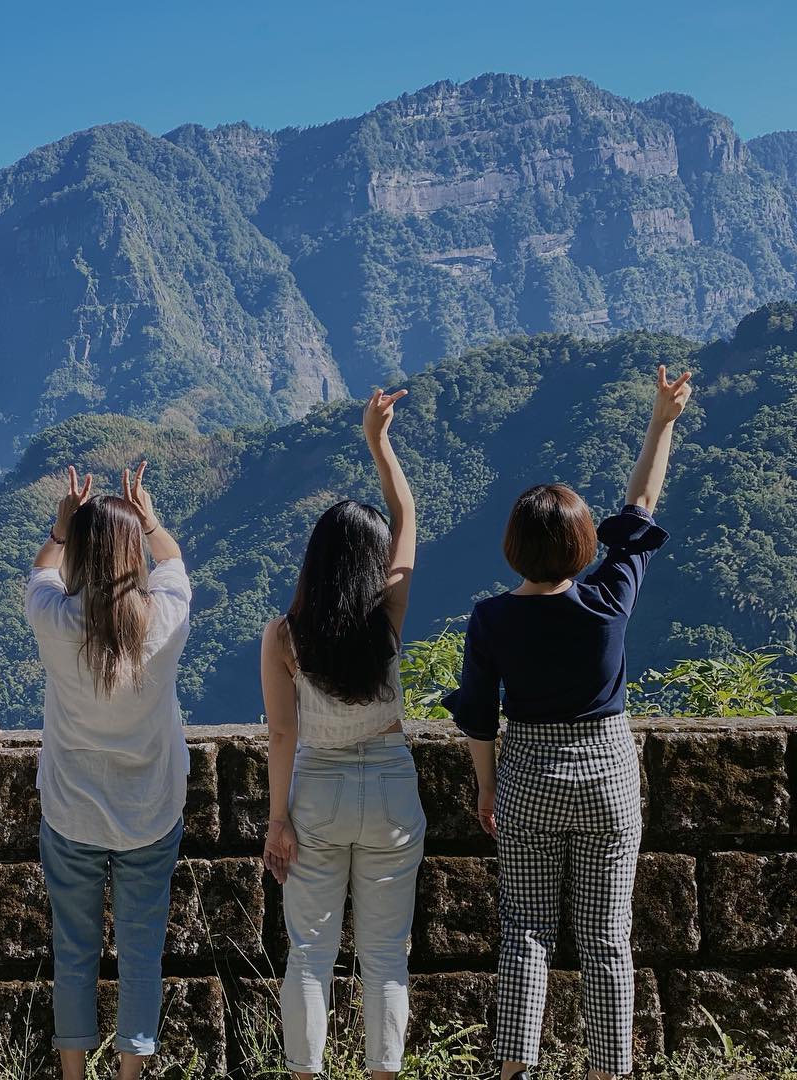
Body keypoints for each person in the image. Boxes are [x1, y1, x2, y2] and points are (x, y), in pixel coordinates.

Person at [443, 366, 694, 1080]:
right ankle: (609, 1071)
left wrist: (487, 788)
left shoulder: (492, 618)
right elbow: (642, 503)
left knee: (526, 931)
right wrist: (661, 421)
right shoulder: (610, 599)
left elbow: (478, 715)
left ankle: (513, 1070)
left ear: (513, 546)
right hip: (608, 778)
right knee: (607, 939)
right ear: (585, 545)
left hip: (529, 778)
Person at [261, 389, 425, 1080]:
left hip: (319, 792)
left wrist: (278, 821)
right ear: (373, 563)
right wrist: (378, 443)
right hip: (390, 786)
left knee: (310, 955)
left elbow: (281, 735)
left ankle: (306, 1072)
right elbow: (406, 514)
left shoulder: (284, 635)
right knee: (385, 955)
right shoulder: (387, 614)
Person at [26, 462, 191, 1080]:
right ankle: (130, 1074)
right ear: (131, 554)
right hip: (150, 811)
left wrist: (60, 528)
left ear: (81, 553)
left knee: (73, 949)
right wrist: (147, 518)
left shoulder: (54, 619)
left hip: (71, 811)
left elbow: (41, 572)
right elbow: (172, 561)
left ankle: (73, 1072)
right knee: (142, 954)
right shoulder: (165, 619)